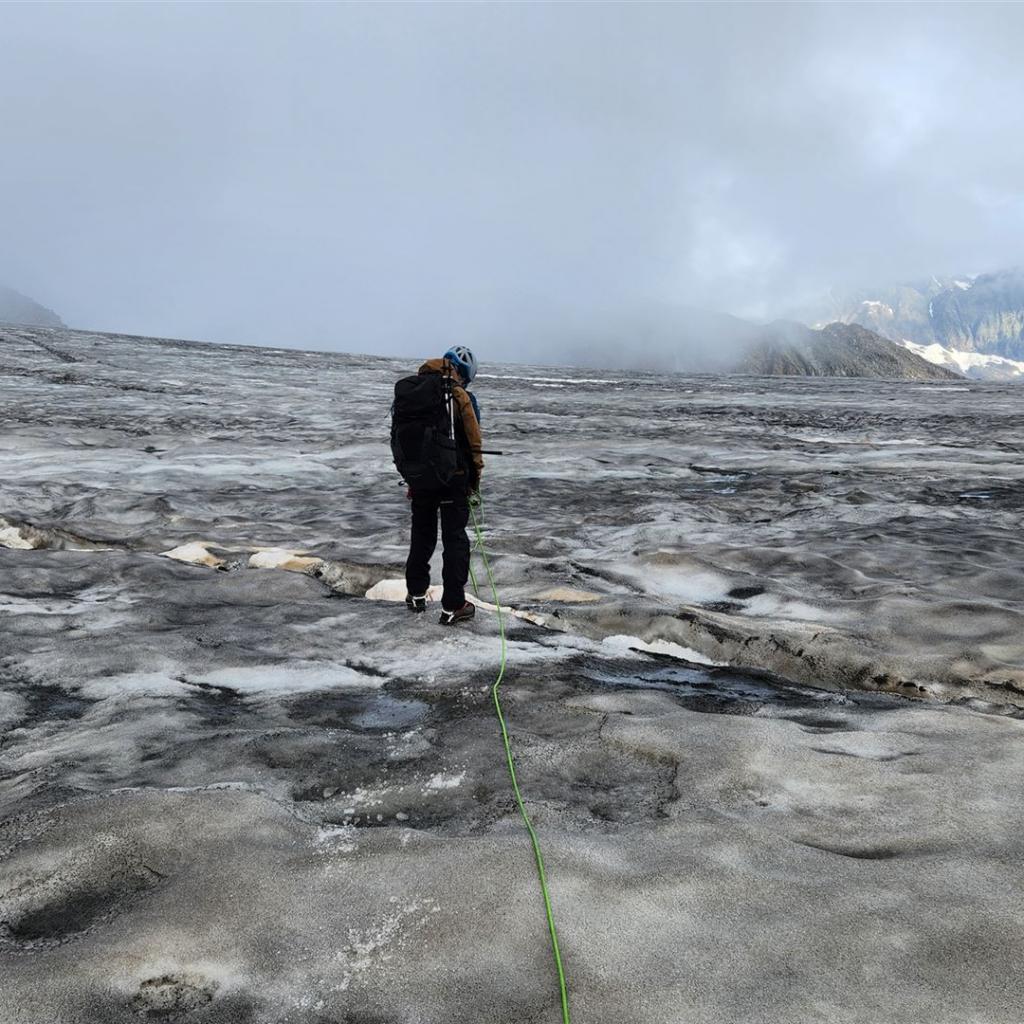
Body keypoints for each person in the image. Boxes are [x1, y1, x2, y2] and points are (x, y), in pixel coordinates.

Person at [403, 346, 483, 625]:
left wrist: (412, 476)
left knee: (422, 535)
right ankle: (453, 605)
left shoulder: (413, 391)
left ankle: (415, 594)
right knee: (455, 540)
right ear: (465, 374)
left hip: (420, 477)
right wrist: (475, 480)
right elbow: (474, 442)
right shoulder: (460, 395)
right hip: (453, 479)